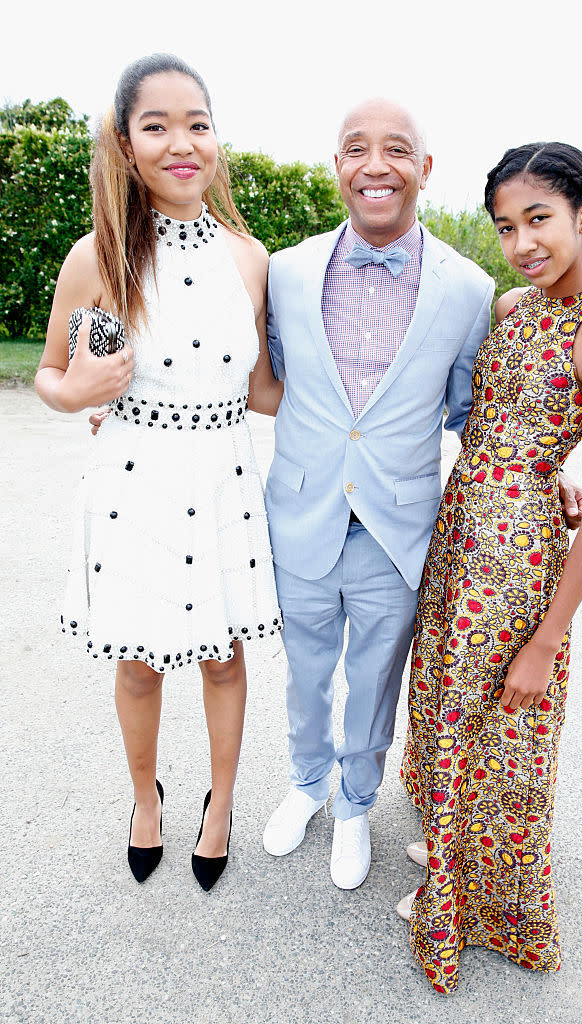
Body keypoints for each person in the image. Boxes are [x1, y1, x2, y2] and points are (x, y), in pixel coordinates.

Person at [261, 101, 582, 891]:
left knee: (374, 676)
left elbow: (476, 409)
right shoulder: (286, 268)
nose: (377, 165)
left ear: (424, 170)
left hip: (397, 526)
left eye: (397, 150)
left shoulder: (470, 289)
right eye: (356, 150)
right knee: (305, 672)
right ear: (336, 166)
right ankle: (307, 784)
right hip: (300, 511)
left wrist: (547, 466)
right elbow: (261, 378)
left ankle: (354, 807)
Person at [34, 53, 282, 890]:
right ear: (125, 142)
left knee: (222, 656)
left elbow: (268, 390)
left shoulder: (252, 260)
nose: (183, 143)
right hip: (132, 479)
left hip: (223, 478)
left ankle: (221, 806)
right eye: (158, 125)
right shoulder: (96, 256)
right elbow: (48, 376)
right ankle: (146, 798)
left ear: (217, 139)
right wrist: (80, 390)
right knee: (139, 662)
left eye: (198, 124)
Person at [397, 142, 582, 993]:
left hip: (518, 559)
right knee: (449, 704)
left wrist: (548, 639)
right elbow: (503, 421)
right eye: (507, 226)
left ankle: (487, 905)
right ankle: (449, 858)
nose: (523, 241)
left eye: (539, 219)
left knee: (506, 727)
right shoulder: (510, 305)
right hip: (462, 526)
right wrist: (546, 462)